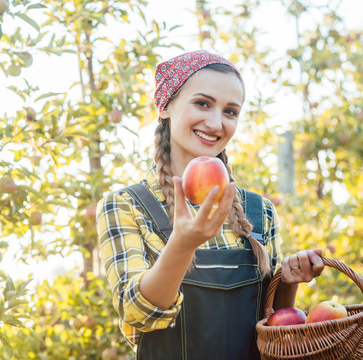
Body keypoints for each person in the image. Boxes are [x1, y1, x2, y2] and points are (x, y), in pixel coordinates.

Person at [96, 50, 325, 360]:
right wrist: (182, 244)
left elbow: (274, 324)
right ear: (165, 106)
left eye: (230, 111)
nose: (216, 122)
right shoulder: (127, 206)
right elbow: (137, 315)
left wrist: (287, 279)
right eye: (202, 103)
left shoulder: (259, 211)